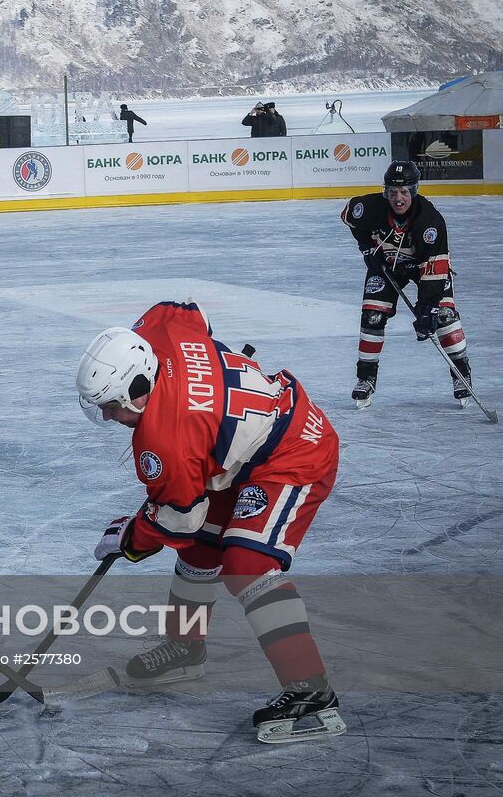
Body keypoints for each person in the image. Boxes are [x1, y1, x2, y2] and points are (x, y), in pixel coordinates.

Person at [77, 302, 345, 744]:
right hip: (239, 450)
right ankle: (186, 648)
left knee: (246, 565)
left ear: (138, 390)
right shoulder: (156, 333)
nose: (108, 417)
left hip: (294, 452)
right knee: (201, 546)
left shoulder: (166, 439)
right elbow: (186, 312)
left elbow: (175, 520)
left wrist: (130, 539)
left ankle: (312, 693)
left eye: (110, 406)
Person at [340, 160, 471, 408]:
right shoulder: (370, 207)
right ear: (385, 192)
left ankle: (462, 374)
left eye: (404, 192)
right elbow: (348, 215)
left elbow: (434, 267)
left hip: (425, 268)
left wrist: (428, 308)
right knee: (372, 317)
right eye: (393, 192)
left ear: (414, 191)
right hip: (388, 265)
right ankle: (366, 378)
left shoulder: (430, 222)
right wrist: (367, 248)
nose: (398, 198)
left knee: (443, 316)